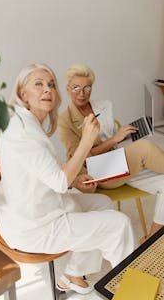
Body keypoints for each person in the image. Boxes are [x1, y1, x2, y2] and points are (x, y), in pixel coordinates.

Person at [0, 63, 135, 294]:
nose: (47, 90)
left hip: (37, 209)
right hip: (35, 226)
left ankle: (73, 274)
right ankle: (131, 296)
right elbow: (59, 181)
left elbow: (44, 170)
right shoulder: (24, 133)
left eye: (51, 85)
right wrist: (87, 140)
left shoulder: (26, 123)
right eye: (38, 84)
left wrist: (74, 181)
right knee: (119, 225)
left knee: (103, 204)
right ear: (23, 94)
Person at [58, 64, 164, 240]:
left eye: (87, 87)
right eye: (76, 87)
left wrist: (121, 135)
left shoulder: (102, 106)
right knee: (145, 147)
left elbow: (110, 137)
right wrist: (114, 140)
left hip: (119, 161)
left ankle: (152, 239)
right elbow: (81, 157)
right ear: (68, 89)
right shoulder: (65, 120)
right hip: (98, 170)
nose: (82, 93)